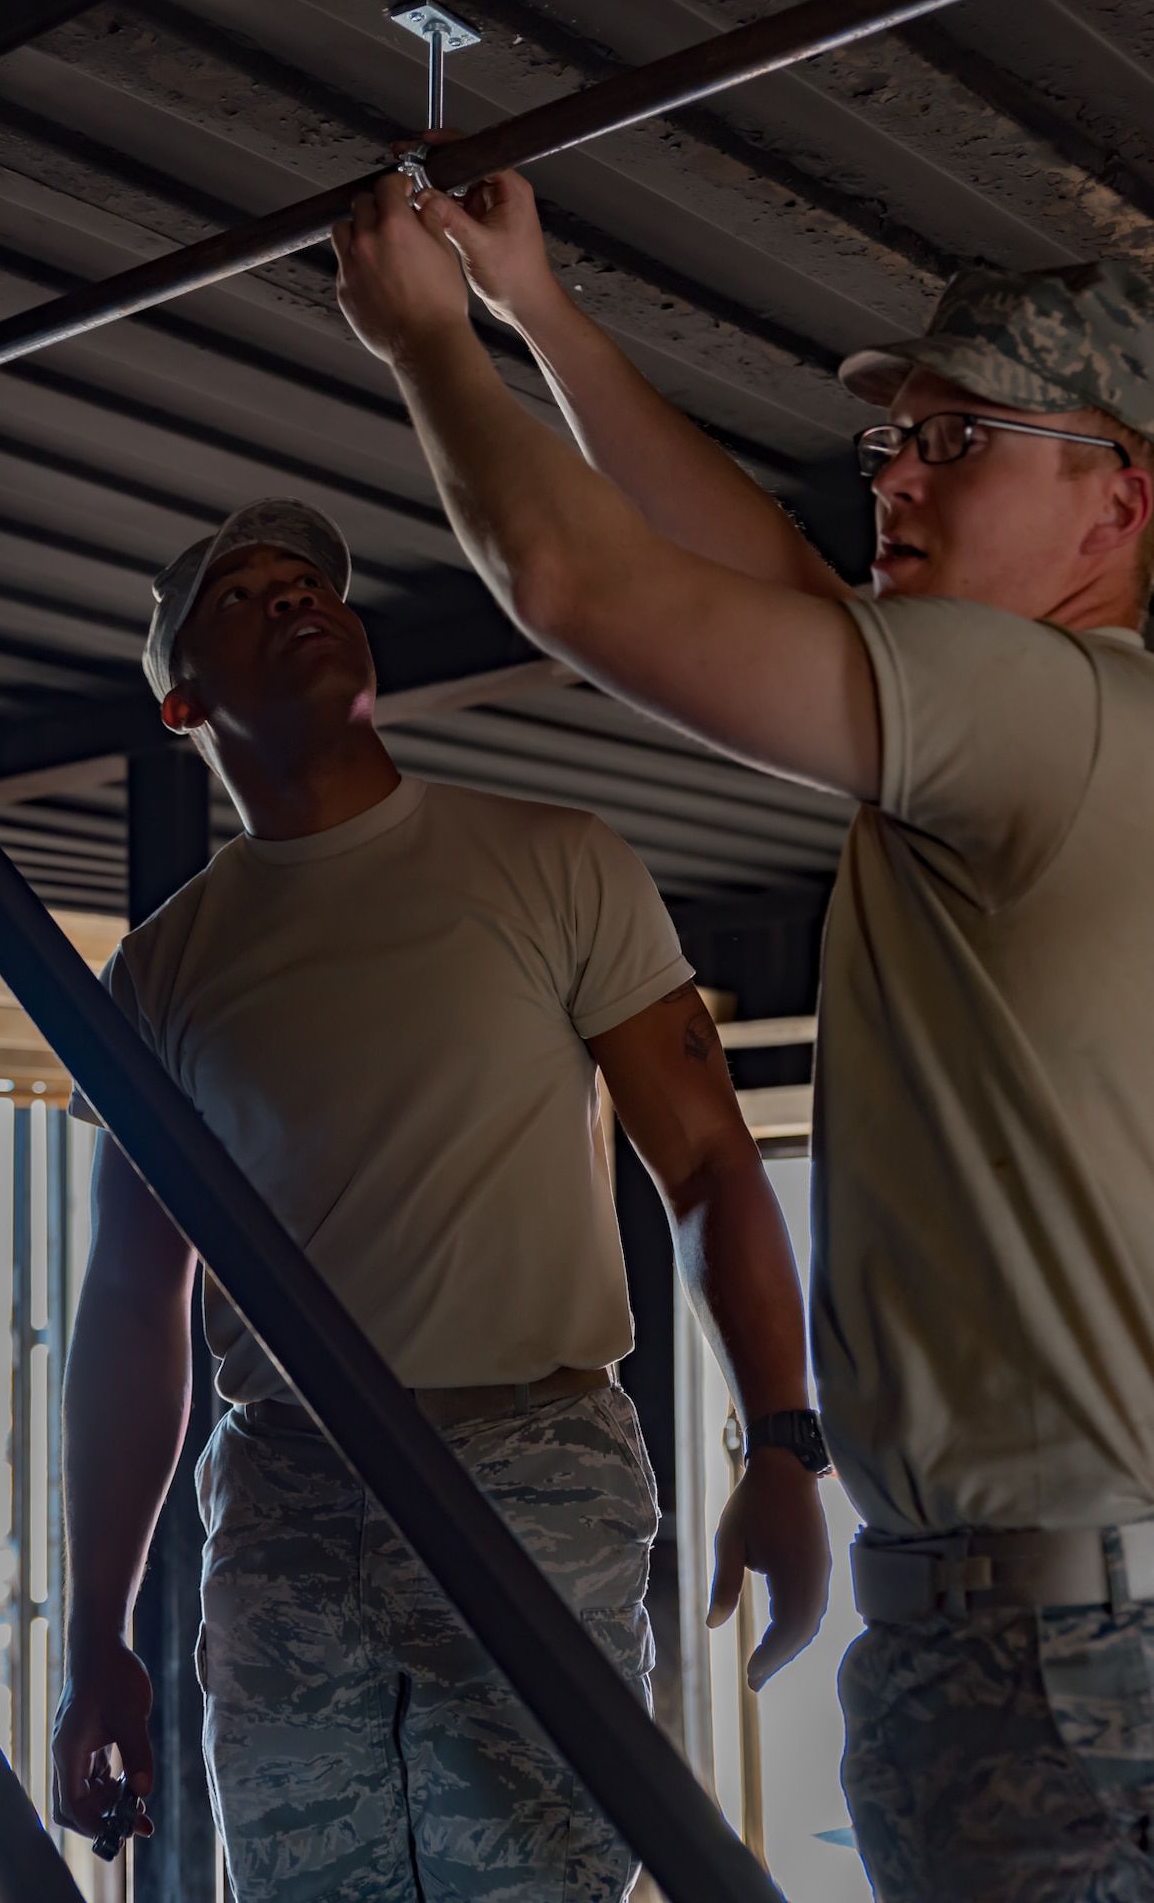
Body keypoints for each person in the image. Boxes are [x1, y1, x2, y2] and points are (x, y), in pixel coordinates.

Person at [331, 165, 1154, 1901]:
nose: (900, 477)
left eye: (964, 440)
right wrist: (538, 311)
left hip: (1070, 1664)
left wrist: (425, 347)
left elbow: (578, 582)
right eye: (893, 445)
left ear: (1117, 501)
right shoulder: (1050, 726)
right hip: (1049, 1631)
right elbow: (761, 567)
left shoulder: (1044, 712)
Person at [50, 495, 829, 1902]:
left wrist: (781, 1440)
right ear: (183, 704)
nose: (297, 600)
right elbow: (128, 1298)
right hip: (288, 1492)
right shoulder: (166, 972)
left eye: (312, 583)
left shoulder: (552, 862)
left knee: (535, 1881)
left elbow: (710, 1163)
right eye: (245, 596)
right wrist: (94, 1631)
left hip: (534, 1470)